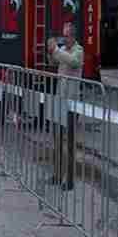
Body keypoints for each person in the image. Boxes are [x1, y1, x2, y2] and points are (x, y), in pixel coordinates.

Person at [47, 22, 84, 191]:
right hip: (59, 100)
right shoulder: (62, 50)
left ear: (73, 36)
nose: (64, 38)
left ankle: (69, 180)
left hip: (71, 103)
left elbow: (73, 62)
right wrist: (50, 51)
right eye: (63, 35)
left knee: (69, 144)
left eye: (67, 35)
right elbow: (54, 62)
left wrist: (56, 50)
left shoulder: (78, 50)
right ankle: (56, 174)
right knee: (56, 141)